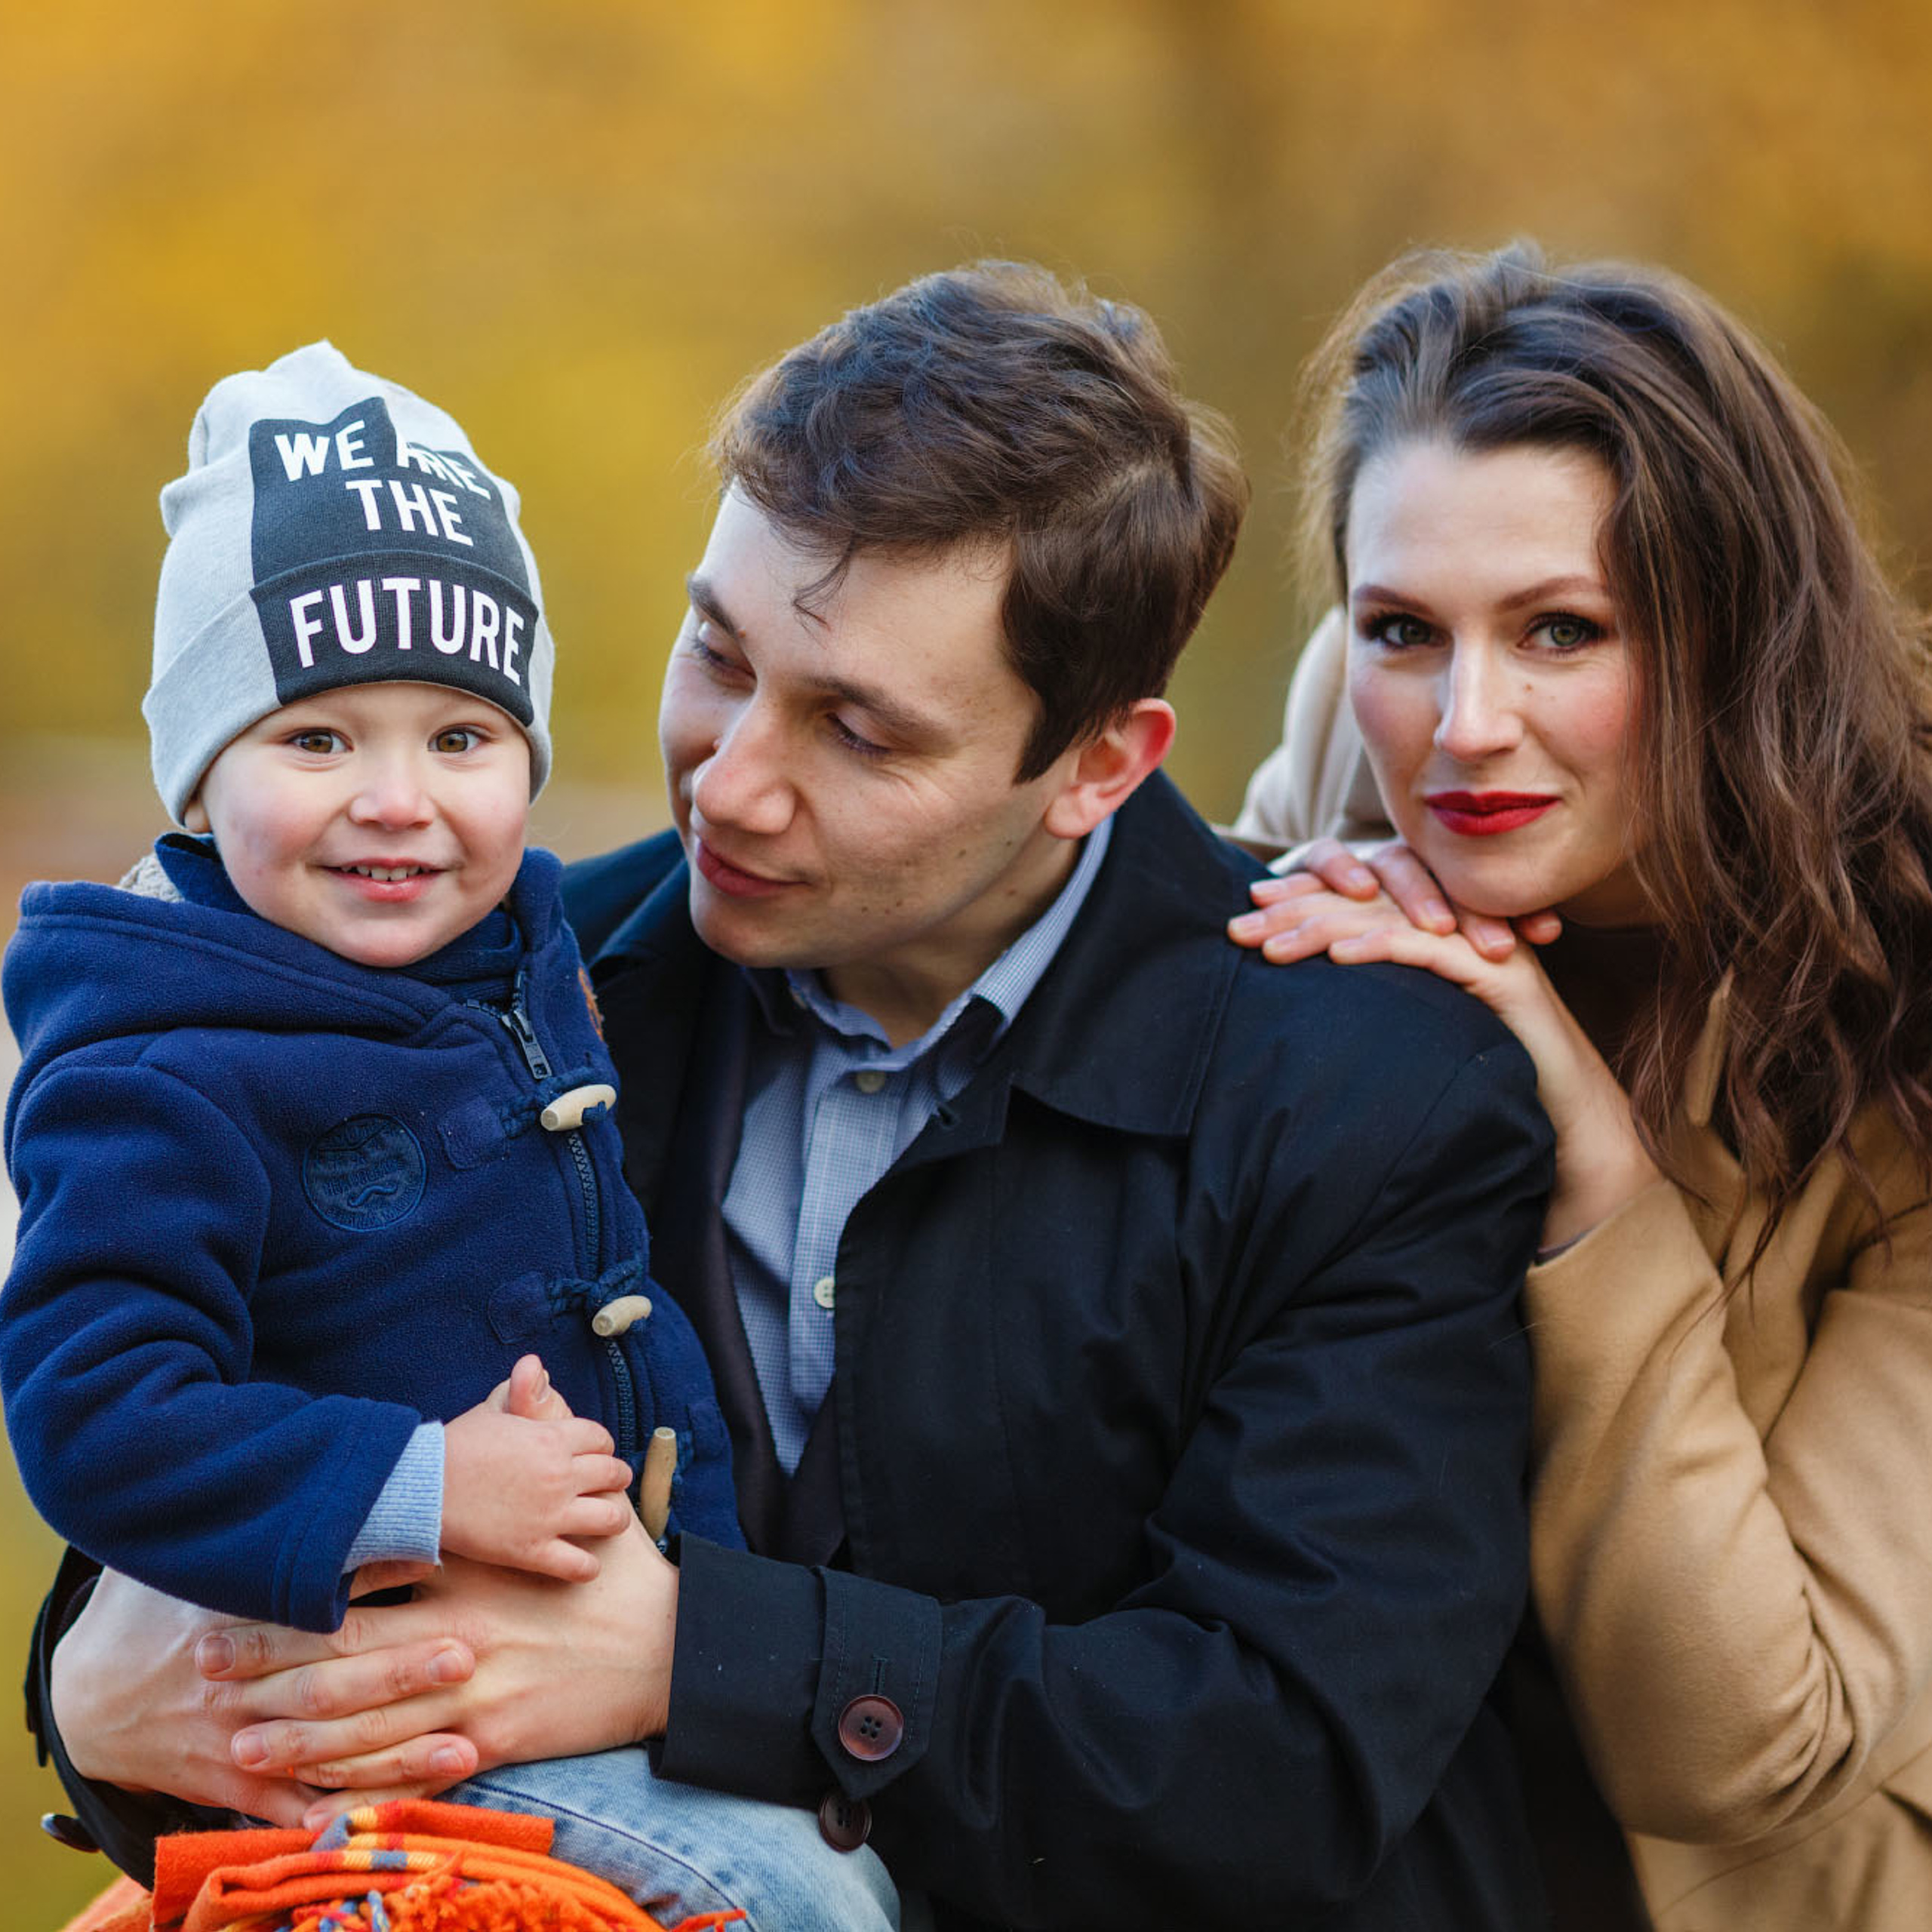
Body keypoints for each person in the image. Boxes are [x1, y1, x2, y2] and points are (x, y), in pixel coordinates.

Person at [33, 265, 1555, 1931]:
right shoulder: (535, 983)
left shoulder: (1368, 1097)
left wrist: (699, 1656)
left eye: (858, 731)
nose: (732, 780)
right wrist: (89, 1695)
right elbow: (218, 1426)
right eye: (718, 652)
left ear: (1098, 764)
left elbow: (1282, 1764)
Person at [2, 342, 898, 1930]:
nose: (399, 800)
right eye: (318, 739)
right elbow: (95, 1412)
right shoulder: (158, 1059)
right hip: (391, 1696)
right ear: (200, 783)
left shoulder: (518, 951)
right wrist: (421, 1481)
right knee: (803, 1904)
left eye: (462, 737)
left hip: (605, 1662)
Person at [1229, 242, 1932, 1930]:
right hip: (1369, 1813)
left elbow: (1739, 1753)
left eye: (1562, 630)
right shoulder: (1355, 734)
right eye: (1404, 624)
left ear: (1732, 635)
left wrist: (1590, 1160)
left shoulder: (1908, 1026)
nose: (1464, 723)